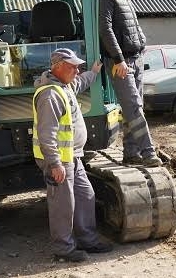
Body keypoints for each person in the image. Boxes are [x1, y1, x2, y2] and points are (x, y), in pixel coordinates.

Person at [33, 48, 113, 262]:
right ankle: (64, 249)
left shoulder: (65, 85)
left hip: (73, 156)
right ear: (57, 67)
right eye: (73, 66)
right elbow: (46, 134)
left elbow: (81, 82)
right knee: (63, 204)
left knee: (86, 196)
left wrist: (94, 72)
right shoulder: (50, 94)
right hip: (59, 159)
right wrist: (55, 164)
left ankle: (88, 240)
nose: (77, 70)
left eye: (78, 66)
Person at [99, 0, 162, 167]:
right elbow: (105, 29)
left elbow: (132, 26)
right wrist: (118, 59)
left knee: (133, 109)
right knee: (134, 107)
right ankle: (148, 153)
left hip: (135, 59)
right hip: (121, 63)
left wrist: (141, 43)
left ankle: (131, 153)